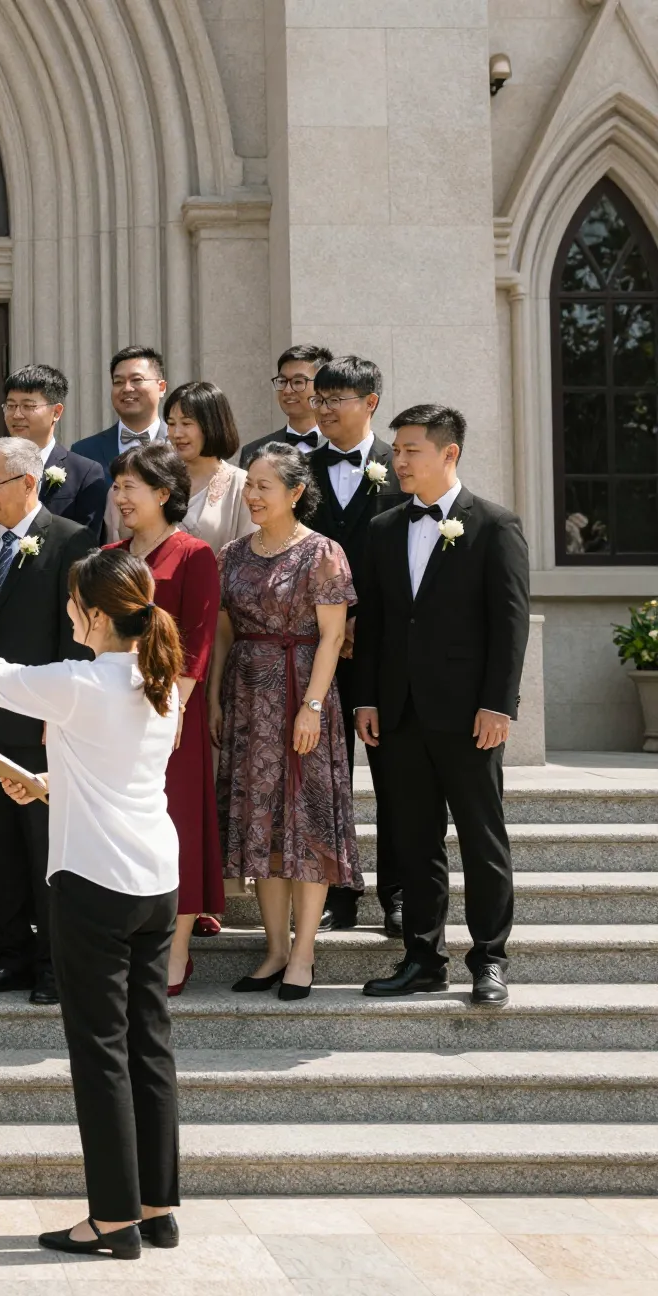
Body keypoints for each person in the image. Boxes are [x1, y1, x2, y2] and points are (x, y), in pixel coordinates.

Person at [0, 547, 184, 1261]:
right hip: (153, 880)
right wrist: (47, 783)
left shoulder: (83, 682)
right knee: (150, 1044)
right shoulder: (159, 678)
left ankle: (112, 1219)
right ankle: (157, 1206)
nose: (67, 613)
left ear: (93, 614)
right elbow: (119, 769)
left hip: (95, 881)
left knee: (100, 1053)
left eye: (73, 604)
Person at [356, 405, 530, 1008]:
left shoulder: (495, 526)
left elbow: (509, 627)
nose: (397, 460)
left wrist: (497, 705)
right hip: (398, 715)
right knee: (412, 841)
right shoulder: (382, 528)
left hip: (468, 716)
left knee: (483, 839)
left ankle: (490, 960)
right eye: (396, 450)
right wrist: (369, 699)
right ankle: (423, 958)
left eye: (411, 450)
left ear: (448, 454)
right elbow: (375, 623)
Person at [208, 444, 360, 1001]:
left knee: (306, 821)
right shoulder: (231, 554)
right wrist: (216, 700)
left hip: (301, 694)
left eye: (263, 486)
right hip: (248, 696)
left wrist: (313, 706)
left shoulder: (322, 553)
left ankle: (303, 955)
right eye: (249, 484)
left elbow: (332, 637)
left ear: (295, 492)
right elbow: (224, 632)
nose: (251, 495)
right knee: (261, 827)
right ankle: (273, 951)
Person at [0, 436, 92, 1005]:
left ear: (28, 483)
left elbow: (77, 634)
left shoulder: (71, 541)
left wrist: (61, 714)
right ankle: (9, 955)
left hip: (42, 724)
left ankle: (55, 967)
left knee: (44, 849)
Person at [105, 445, 221, 994]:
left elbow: (198, 640)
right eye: (118, 486)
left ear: (164, 494)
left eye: (132, 487)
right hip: (112, 712)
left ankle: (175, 953)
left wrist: (172, 706)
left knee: (176, 829)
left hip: (171, 716)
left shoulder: (194, 554)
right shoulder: (111, 555)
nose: (120, 497)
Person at [301, 356, 408, 935]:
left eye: (335, 397)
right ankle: (335, 889)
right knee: (323, 778)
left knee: (392, 776)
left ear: (369, 402)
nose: (322, 409)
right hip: (317, 649)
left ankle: (395, 892)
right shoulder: (301, 468)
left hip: (385, 649)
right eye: (319, 398)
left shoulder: (402, 467)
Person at [0, 363, 108, 542]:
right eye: (10, 406)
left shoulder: (85, 473)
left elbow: (86, 543)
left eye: (28, 406)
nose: (16, 415)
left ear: (56, 412)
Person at [165, 380, 254, 553]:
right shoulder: (158, 479)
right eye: (171, 423)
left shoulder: (242, 484)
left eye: (186, 423)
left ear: (211, 426)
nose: (177, 434)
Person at [70, 345, 169, 475]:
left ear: (161, 387)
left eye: (137, 380)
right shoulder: (84, 452)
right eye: (118, 382)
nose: (127, 388)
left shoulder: (180, 445)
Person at [238, 343, 333, 464]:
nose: (287, 390)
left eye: (298, 382)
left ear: (322, 386)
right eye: (282, 381)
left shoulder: (342, 447)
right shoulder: (253, 451)